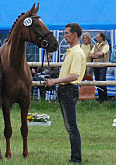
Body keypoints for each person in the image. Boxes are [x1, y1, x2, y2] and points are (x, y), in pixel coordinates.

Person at [44, 23, 86, 164]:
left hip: (69, 89)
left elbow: (74, 76)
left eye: (67, 33)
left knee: (71, 127)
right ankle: (75, 157)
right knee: (70, 127)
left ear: (75, 34)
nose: (65, 35)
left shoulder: (77, 53)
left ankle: (76, 159)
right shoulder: (71, 52)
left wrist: (55, 81)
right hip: (65, 90)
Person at [89, 32, 109, 103]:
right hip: (95, 66)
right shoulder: (95, 45)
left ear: (101, 38)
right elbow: (90, 55)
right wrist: (97, 55)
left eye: (97, 37)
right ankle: (101, 99)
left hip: (102, 66)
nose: (96, 38)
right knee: (98, 82)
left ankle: (105, 98)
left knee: (102, 82)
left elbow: (102, 53)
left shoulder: (106, 45)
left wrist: (96, 55)